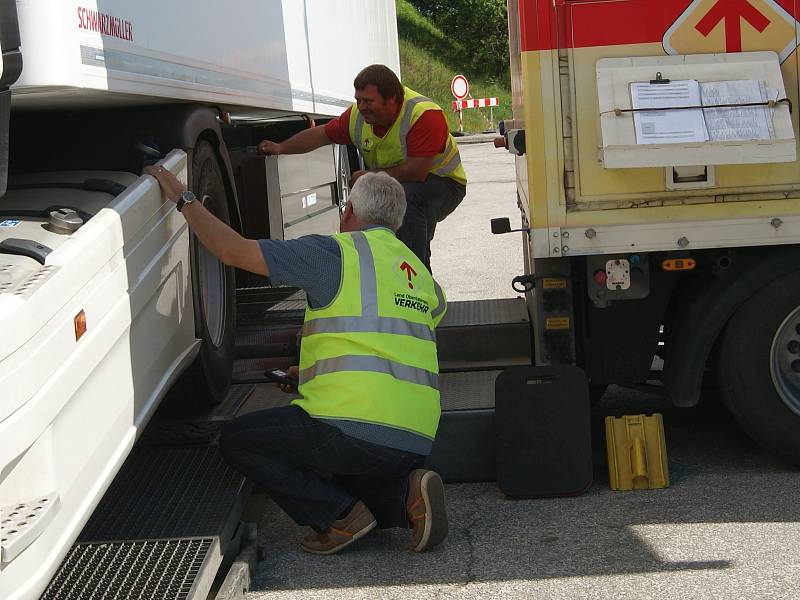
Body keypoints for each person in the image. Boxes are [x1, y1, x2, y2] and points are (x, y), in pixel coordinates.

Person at [144, 165, 449, 555]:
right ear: (398, 220)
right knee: (344, 459)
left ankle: (338, 517)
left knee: (240, 441)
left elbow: (231, 250)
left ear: (348, 212)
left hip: (354, 431)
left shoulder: (333, 253)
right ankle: (404, 494)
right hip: (416, 438)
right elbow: (393, 338)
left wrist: (182, 197)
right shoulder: (420, 275)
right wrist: (310, 372)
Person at [259, 64, 467, 272]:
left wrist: (368, 175)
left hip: (443, 183)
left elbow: (416, 172)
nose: (361, 107)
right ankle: (383, 273)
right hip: (396, 184)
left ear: (392, 98)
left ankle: (416, 279)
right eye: (358, 100)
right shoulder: (357, 118)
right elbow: (322, 135)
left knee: (408, 201)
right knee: (371, 209)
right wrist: (281, 148)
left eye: (368, 101)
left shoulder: (423, 114)